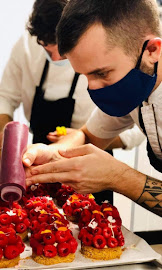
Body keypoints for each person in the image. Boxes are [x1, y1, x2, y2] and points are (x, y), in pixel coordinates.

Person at [0, 0, 145, 204]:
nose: (54, 57)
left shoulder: (105, 57)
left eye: (62, 51)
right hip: (43, 157)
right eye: (46, 48)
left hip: (91, 164)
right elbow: (4, 96)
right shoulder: (27, 45)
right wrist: (8, 133)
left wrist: (84, 141)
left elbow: (131, 130)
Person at [23, 0, 162, 217]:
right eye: (85, 76)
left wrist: (118, 177)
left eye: (101, 73)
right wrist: (50, 153)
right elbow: (87, 135)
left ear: (152, 50)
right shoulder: (134, 87)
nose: (93, 87)